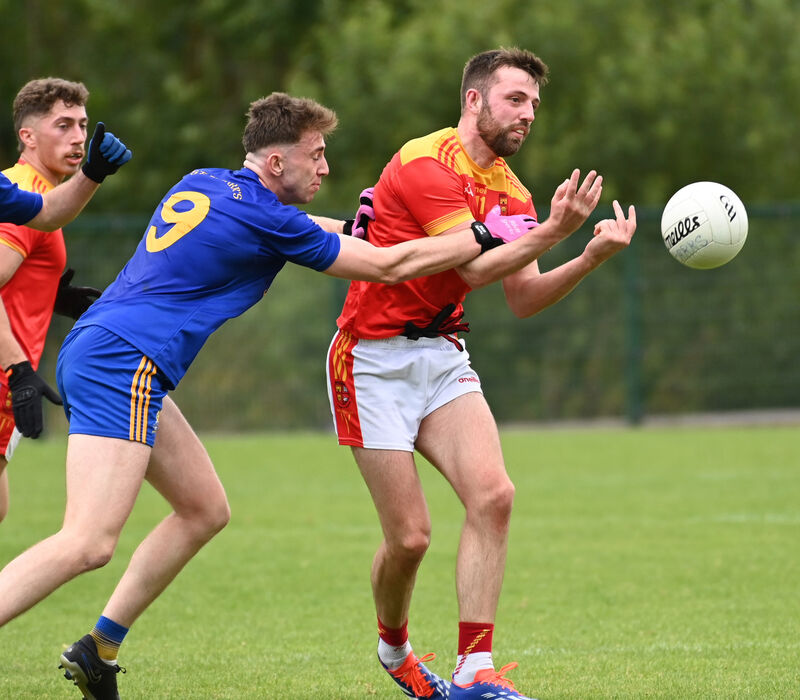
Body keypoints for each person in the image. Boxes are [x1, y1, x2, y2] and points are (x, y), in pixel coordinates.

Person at [0, 91, 533, 700]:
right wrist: (484, 235)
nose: (326, 168)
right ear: (277, 164)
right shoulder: (267, 219)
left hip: (113, 353)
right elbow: (391, 265)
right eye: (317, 154)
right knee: (87, 542)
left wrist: (357, 225)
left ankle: (99, 648)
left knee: (204, 509)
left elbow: (305, 230)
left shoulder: (208, 181)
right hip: (123, 361)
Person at [325, 47, 637, 700]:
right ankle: (394, 647)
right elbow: (471, 269)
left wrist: (587, 257)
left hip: (440, 355)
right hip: (370, 360)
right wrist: (554, 231)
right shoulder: (424, 161)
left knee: (494, 495)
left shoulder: (513, 192)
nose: (528, 116)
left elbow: (520, 296)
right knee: (410, 539)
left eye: (534, 106)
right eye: (515, 100)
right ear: (475, 100)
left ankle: (475, 670)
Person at [0, 77, 132, 523]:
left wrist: (50, 295)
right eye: (63, 125)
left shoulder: (33, 193)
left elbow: (52, 213)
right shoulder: (25, 189)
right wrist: (17, 370)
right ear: (28, 136)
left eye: (82, 124)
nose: (78, 136)